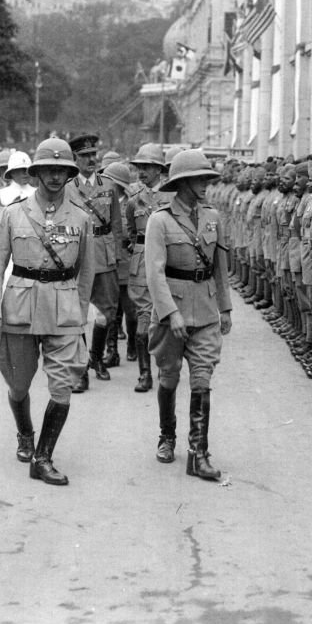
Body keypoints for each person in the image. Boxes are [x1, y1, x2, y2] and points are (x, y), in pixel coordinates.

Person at [0, 137, 94, 486]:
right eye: (49, 170)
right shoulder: (14, 214)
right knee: (18, 384)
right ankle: (25, 433)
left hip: (63, 309)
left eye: (62, 170)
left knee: (62, 387)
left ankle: (42, 457)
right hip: (19, 308)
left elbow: (86, 272)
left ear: (69, 174)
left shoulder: (81, 218)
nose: (56, 177)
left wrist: (80, 313)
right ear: (37, 173)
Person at [145, 149, 232, 479]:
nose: (207, 184)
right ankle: (167, 436)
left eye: (208, 178)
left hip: (207, 310)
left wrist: (225, 308)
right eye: (200, 178)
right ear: (182, 182)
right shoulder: (160, 220)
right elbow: (154, 273)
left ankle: (198, 453)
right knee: (168, 375)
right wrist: (170, 314)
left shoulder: (213, 217)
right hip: (173, 311)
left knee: (202, 379)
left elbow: (220, 267)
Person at [65, 133, 121, 389]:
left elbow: (117, 225)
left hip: (104, 253)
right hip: (78, 255)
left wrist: (117, 255)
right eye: (85, 156)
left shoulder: (108, 185)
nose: (91, 159)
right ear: (75, 158)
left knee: (106, 312)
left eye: (93, 154)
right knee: (77, 313)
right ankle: (81, 372)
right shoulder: (67, 188)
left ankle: (96, 359)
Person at [127, 143, 170, 392]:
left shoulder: (172, 198)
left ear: (159, 169)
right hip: (142, 262)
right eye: (139, 167)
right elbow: (132, 234)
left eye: (147, 167)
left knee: (165, 317)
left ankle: (165, 368)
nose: (141, 172)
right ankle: (145, 374)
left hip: (166, 261)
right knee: (143, 325)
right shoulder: (134, 201)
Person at [103, 161, 137, 369]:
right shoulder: (101, 203)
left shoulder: (132, 204)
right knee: (110, 310)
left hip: (128, 261)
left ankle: (133, 343)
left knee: (131, 310)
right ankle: (111, 350)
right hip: (108, 262)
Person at [0, 151, 35, 255]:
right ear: (12, 172)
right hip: (7, 250)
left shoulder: (37, 193)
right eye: (21, 170)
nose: (25, 173)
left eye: (27, 170)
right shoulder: (0, 195)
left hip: (33, 249)